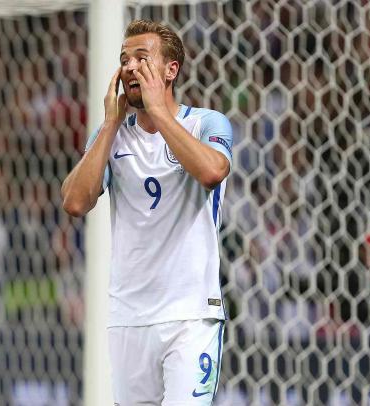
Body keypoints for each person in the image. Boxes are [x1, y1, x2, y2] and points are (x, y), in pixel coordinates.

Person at [61, 20, 233, 405]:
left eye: (142, 57)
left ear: (171, 70)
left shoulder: (205, 123)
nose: (130, 67)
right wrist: (109, 124)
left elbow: (211, 172)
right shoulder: (113, 136)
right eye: (125, 59)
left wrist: (160, 112)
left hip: (190, 317)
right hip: (129, 318)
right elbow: (75, 201)